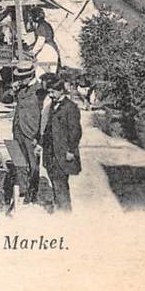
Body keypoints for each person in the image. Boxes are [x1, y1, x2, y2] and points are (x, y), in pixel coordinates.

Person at [1, 61, 45, 204]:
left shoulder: (40, 91)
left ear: (31, 75)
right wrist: (12, 90)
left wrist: (39, 137)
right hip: (18, 130)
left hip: (32, 133)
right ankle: (22, 191)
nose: (20, 80)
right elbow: (5, 99)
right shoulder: (20, 88)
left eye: (23, 77)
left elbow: (45, 115)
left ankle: (32, 195)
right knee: (19, 163)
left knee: (33, 166)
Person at [39, 74, 82, 212]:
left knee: (60, 183)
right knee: (55, 181)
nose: (50, 95)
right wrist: (41, 144)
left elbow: (75, 131)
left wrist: (71, 150)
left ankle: (65, 213)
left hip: (63, 153)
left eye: (53, 92)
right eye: (49, 92)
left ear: (61, 91)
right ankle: (59, 207)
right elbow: (48, 128)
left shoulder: (71, 107)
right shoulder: (53, 105)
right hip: (51, 153)